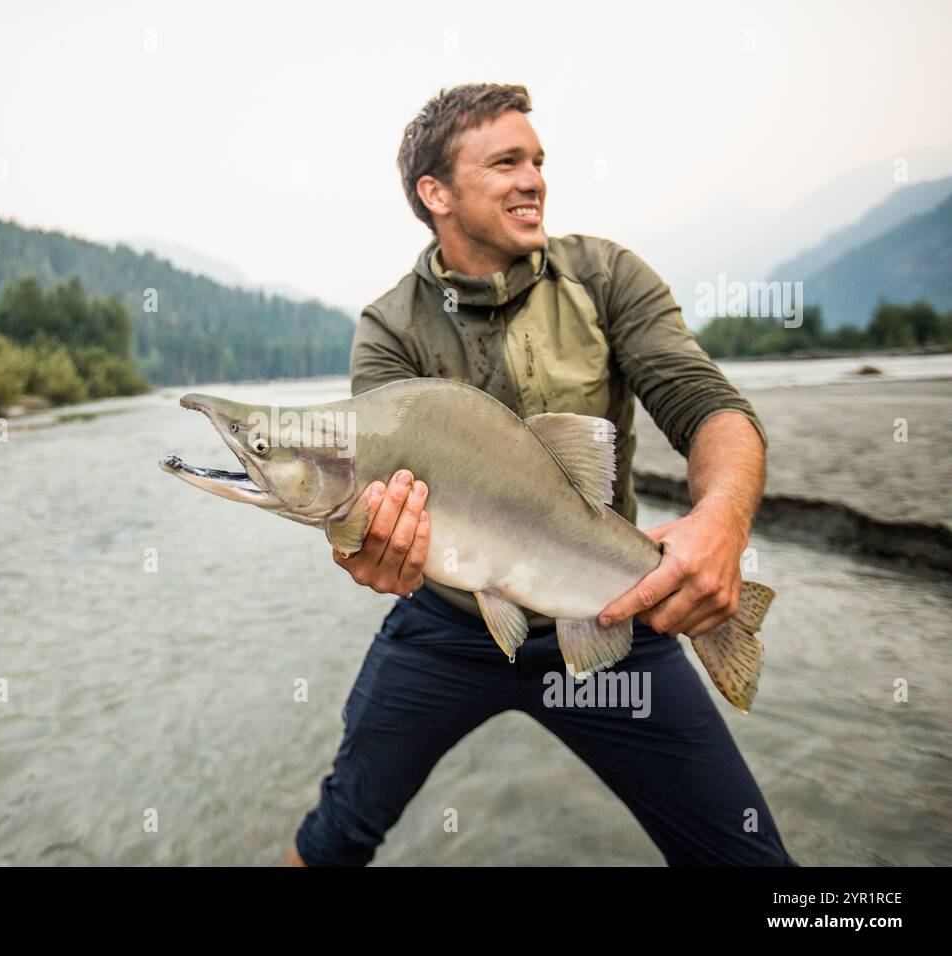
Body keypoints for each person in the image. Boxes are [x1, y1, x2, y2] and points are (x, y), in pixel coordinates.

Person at [287, 83, 796, 867]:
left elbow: (707, 407)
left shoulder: (607, 277)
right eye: (505, 163)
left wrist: (722, 522)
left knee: (747, 860)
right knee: (333, 840)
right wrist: (364, 552)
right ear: (437, 194)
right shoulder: (389, 328)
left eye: (537, 160)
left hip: (613, 614)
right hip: (447, 630)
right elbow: (368, 507)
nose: (534, 179)